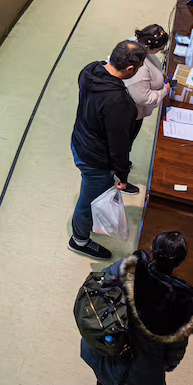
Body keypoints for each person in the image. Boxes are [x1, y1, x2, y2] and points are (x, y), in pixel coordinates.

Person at [80, 231, 193, 385]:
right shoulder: (180, 304)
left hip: (107, 354)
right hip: (140, 374)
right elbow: (175, 350)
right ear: (179, 262)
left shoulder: (127, 269)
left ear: (152, 248)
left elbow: (98, 283)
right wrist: (170, 365)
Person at [69, 40, 147, 260]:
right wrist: (122, 175)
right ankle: (79, 240)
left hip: (79, 140)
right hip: (95, 158)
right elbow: (118, 146)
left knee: (91, 192)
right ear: (130, 69)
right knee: (87, 202)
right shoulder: (119, 102)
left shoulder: (89, 69)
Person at [123, 25, 170, 146]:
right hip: (130, 113)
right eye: (159, 49)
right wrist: (164, 90)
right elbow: (143, 98)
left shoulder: (133, 42)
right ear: (149, 47)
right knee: (125, 140)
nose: (159, 51)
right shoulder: (139, 65)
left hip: (128, 107)